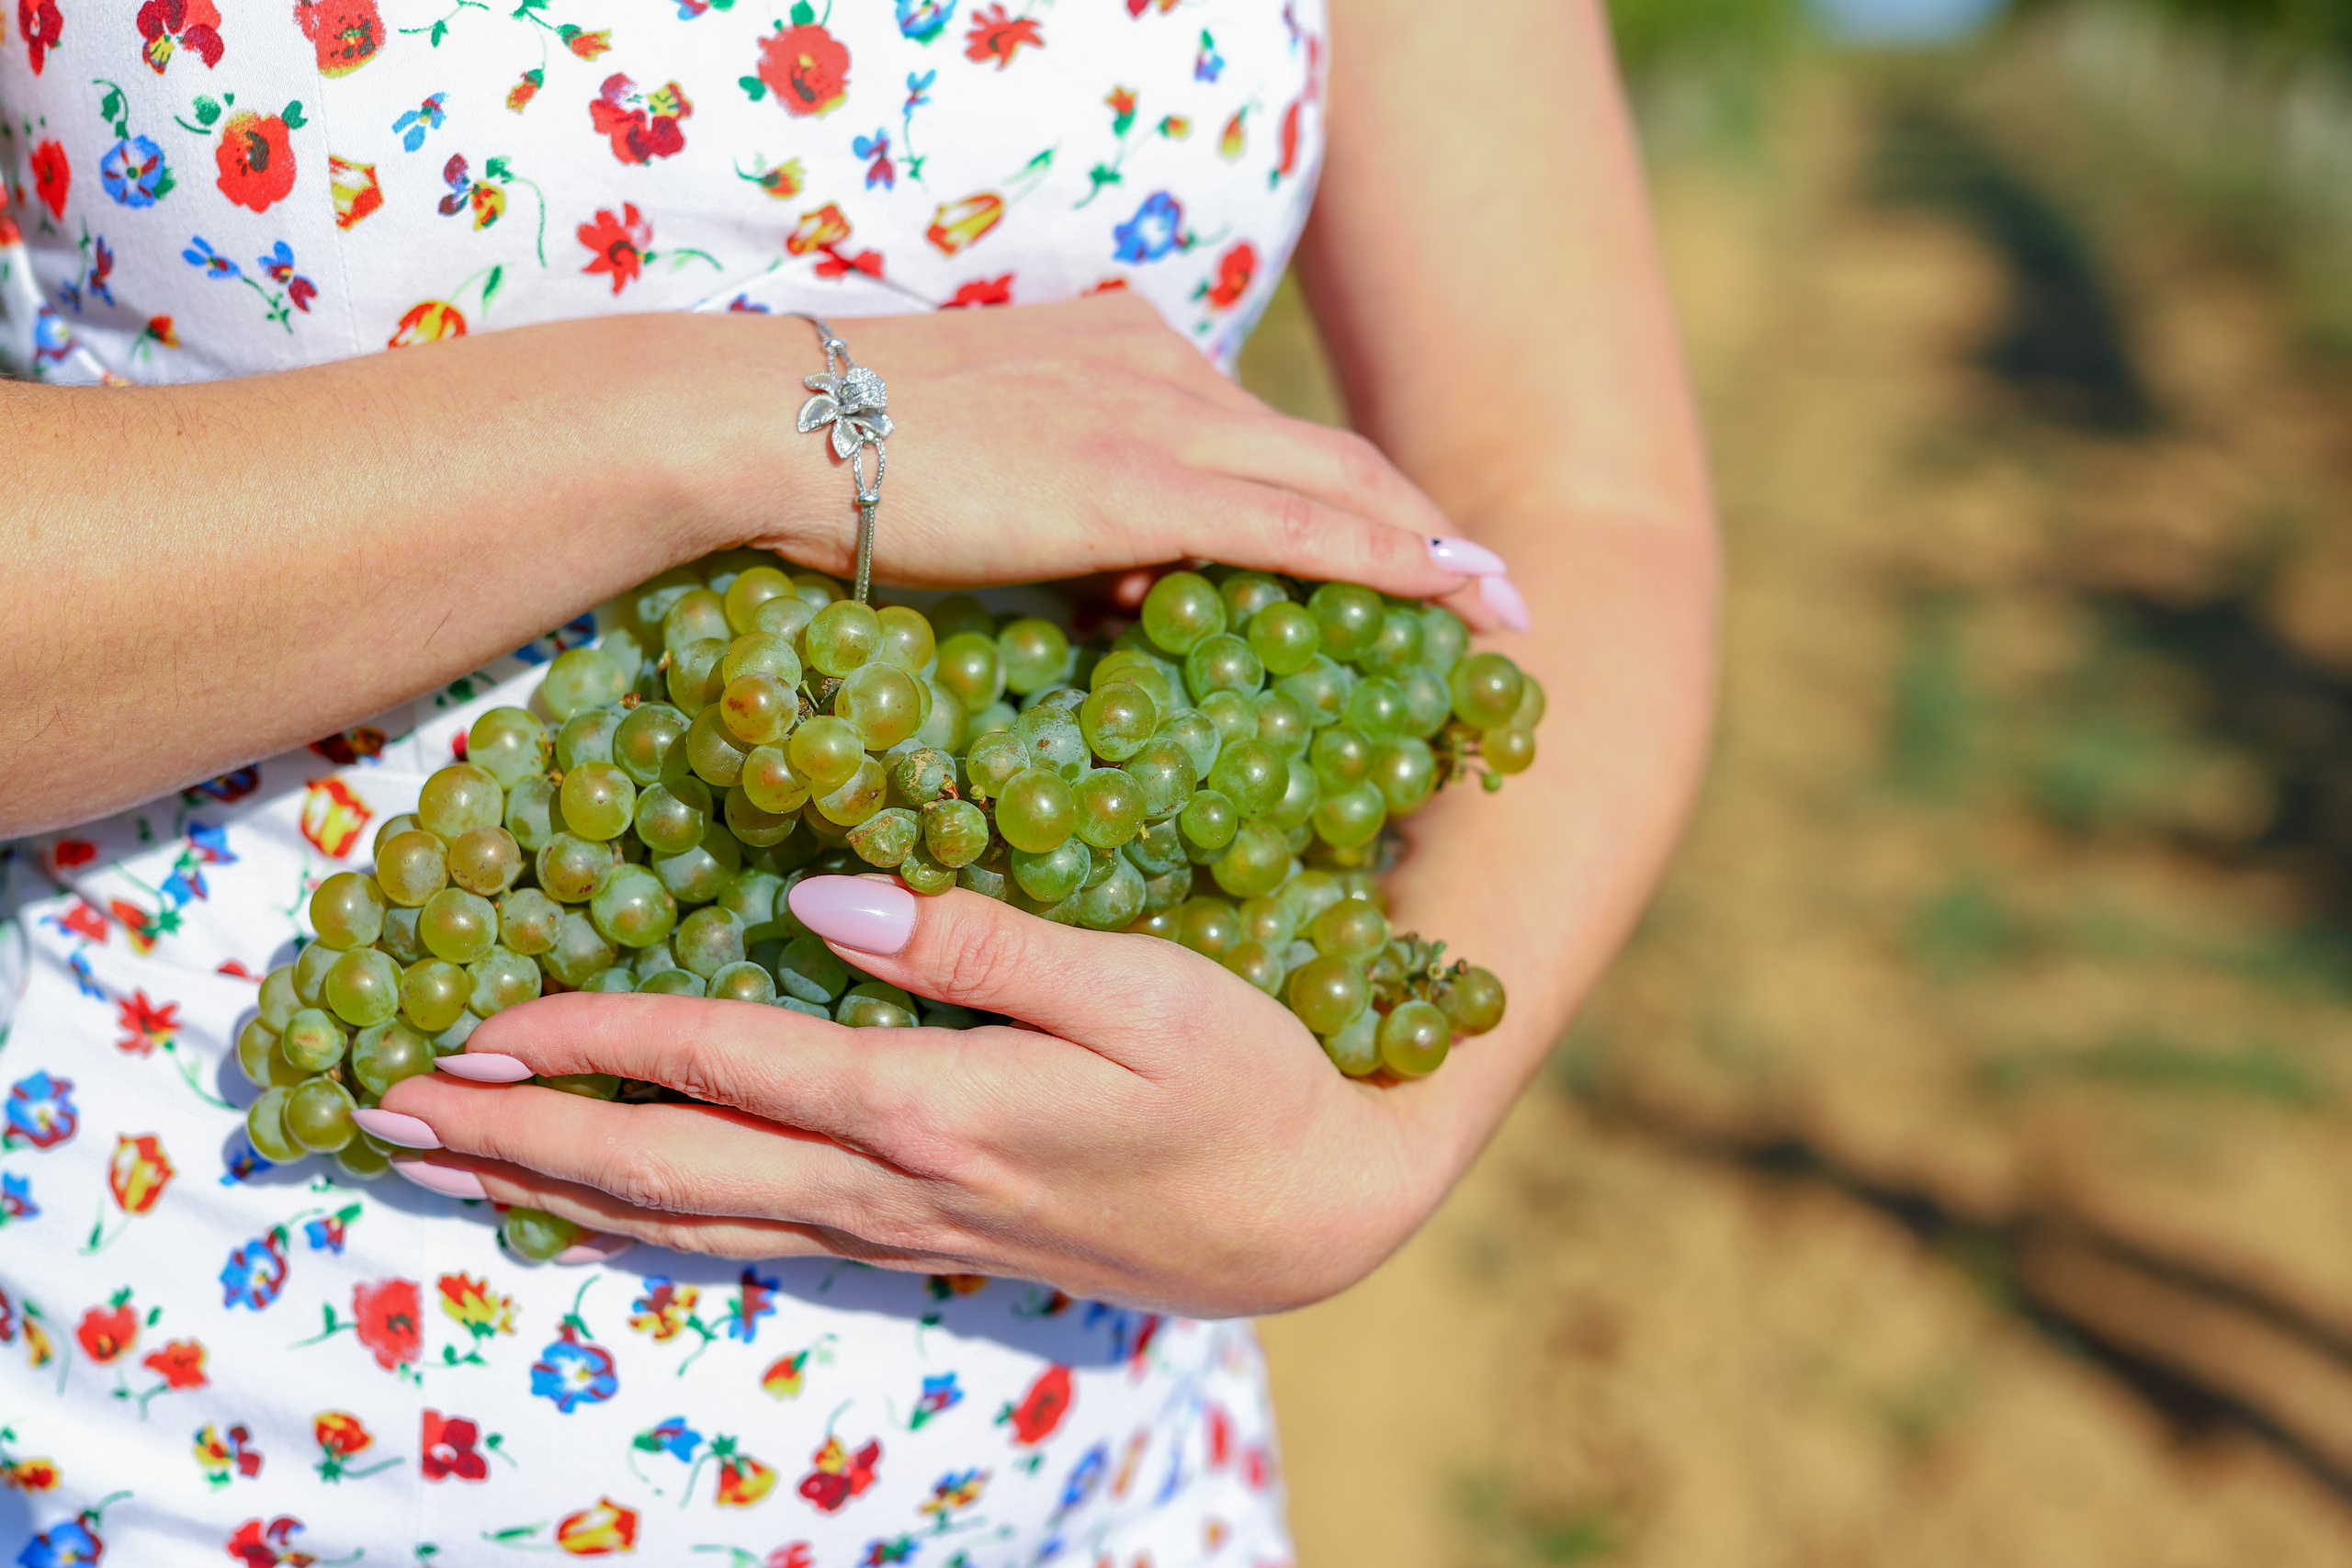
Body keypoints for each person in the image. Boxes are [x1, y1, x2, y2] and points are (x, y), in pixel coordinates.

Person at [0, 0, 1716, 1560]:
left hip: (1073, 1488)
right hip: (178, 1428)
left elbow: (1578, 490)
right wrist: (753, 427)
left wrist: (1376, 1155)